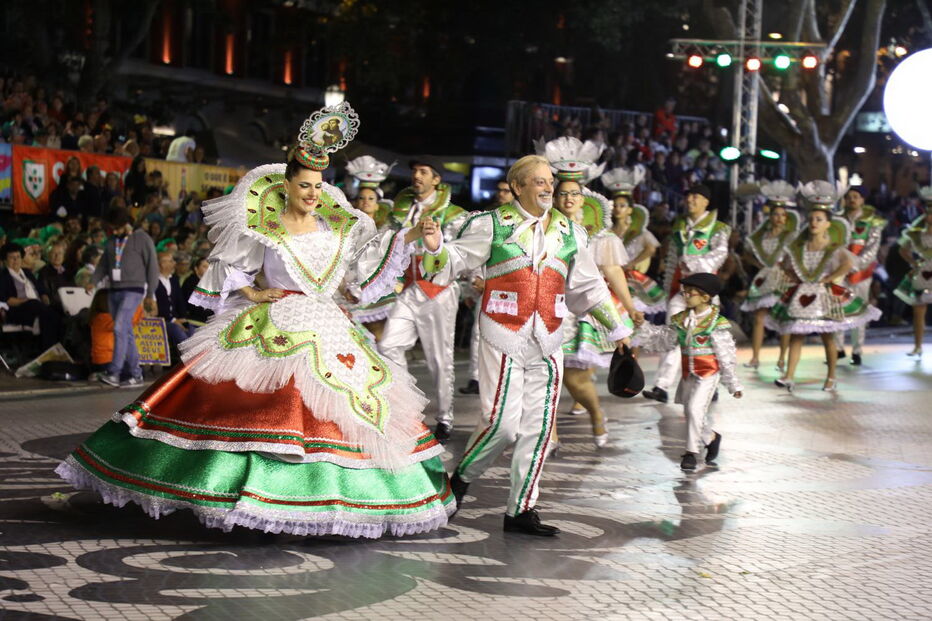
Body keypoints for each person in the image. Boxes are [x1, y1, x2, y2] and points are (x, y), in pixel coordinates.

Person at [56, 103, 454, 538]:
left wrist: (414, 236)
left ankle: (329, 498)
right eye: (304, 185)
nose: (312, 194)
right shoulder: (265, 226)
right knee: (263, 412)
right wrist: (251, 293)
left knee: (355, 410)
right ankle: (251, 495)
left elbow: (361, 274)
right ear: (286, 184)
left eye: (318, 187)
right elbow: (229, 269)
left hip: (329, 325)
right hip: (276, 323)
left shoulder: (335, 226)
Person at [420, 154, 630, 536]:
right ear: (517, 187)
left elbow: (587, 285)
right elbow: (455, 262)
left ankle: (521, 509)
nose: (548, 187)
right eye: (539, 181)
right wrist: (437, 248)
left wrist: (617, 329)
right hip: (503, 332)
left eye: (550, 181)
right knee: (502, 425)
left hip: (549, 337)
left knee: (539, 427)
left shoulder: (570, 232)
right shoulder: (491, 224)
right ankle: (462, 478)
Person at [540, 137, 641, 448]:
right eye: (562, 194)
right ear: (553, 198)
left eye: (575, 194)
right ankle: (551, 433)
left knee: (574, 379)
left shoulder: (599, 235)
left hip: (579, 310)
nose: (569, 199)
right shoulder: (540, 228)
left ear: (584, 198)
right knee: (544, 376)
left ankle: (596, 413)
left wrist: (629, 309)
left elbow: (611, 273)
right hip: (544, 308)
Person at [378, 155, 468, 443]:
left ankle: (445, 419)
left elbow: (463, 254)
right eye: (415, 171)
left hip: (439, 290)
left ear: (436, 180)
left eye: (424, 172)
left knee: (440, 360)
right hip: (410, 289)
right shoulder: (404, 210)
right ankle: (408, 408)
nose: (417, 176)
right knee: (388, 344)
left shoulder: (453, 214)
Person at [767, 181, 882, 392]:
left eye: (819, 220)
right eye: (811, 219)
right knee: (797, 334)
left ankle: (831, 376)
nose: (813, 223)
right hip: (803, 293)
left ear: (828, 223)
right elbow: (786, 265)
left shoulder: (833, 247)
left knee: (827, 335)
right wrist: (794, 277)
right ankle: (789, 375)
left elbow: (848, 263)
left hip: (824, 296)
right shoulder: (800, 247)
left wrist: (830, 279)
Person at [634, 273, 742, 471]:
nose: (685, 294)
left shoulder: (716, 323)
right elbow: (664, 340)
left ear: (705, 297)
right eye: (685, 290)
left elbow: (726, 355)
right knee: (691, 412)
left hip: (708, 375)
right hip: (688, 375)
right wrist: (643, 327)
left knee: (694, 410)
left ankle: (691, 452)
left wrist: (732, 383)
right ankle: (711, 437)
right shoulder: (680, 320)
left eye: (690, 291)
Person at [642, 184, 731, 403]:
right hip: (681, 291)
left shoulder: (718, 228)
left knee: (705, 341)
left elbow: (719, 255)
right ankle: (661, 386)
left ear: (705, 202)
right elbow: (673, 257)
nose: (690, 199)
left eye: (695, 196)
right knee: (672, 335)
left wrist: (692, 263)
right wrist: (668, 286)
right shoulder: (679, 225)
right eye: (688, 195)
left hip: (705, 294)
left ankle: (710, 385)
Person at [90, 206, 159, 388]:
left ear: (126, 224)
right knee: (125, 332)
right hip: (114, 290)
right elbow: (104, 264)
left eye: (117, 227)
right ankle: (136, 375)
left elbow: (152, 265)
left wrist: (150, 293)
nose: (115, 231)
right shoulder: (112, 241)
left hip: (134, 290)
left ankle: (114, 373)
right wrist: (93, 281)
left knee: (119, 327)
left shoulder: (141, 238)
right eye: (112, 228)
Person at [459, 179, 514, 396]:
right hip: (486, 288)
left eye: (506, 191)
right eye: (499, 190)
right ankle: (476, 378)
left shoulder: (521, 222)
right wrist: (475, 280)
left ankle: (504, 380)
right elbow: (476, 254)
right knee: (478, 333)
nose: (502, 194)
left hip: (513, 290)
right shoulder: (486, 219)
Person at [740, 181, 800, 370]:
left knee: (783, 319)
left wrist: (789, 271)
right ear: (770, 216)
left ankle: (782, 359)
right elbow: (746, 252)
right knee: (759, 318)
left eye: (783, 215)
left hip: (783, 278)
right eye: (776, 214)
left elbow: (797, 257)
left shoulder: (791, 236)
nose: (779, 218)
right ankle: (755, 357)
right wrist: (758, 265)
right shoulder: (761, 236)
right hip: (764, 278)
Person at [344, 155, 398, 341]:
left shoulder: (386, 229)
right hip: (350, 286)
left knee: (380, 338)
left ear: (377, 204)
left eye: (370, 198)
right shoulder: (347, 227)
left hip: (376, 286)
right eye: (361, 198)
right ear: (355, 203)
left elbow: (393, 256)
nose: (366, 201)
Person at [833, 187, 886, 365]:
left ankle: (857, 350)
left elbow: (872, 248)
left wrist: (855, 266)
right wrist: (841, 266)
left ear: (863, 200)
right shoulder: (837, 220)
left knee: (859, 310)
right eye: (848, 197)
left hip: (862, 273)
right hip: (840, 271)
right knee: (837, 310)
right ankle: (838, 348)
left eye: (856, 197)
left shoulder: (873, 221)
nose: (852, 200)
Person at [601, 166, 665, 314]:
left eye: (622, 206)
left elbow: (651, 248)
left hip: (630, 276)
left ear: (630, 209)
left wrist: (631, 263)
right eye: (615, 206)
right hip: (609, 277)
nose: (618, 209)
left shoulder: (639, 231)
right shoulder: (607, 230)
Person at [0, 242, 64, 350]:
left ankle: (56, 349)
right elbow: (6, 299)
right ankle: (47, 349)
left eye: (18, 257)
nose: (16, 260)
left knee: (57, 311)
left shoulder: (27, 273)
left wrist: (44, 296)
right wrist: (25, 301)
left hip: (38, 307)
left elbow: (41, 290)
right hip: (18, 309)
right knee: (39, 308)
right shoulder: (3, 276)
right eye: (12, 258)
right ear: (5, 260)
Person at [893, 186, 932, 357]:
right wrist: (913, 262)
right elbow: (903, 249)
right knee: (918, 313)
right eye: (929, 209)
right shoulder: (917, 229)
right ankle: (918, 346)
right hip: (922, 273)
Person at [154, 250, 196, 351]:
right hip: (162, 320)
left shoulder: (174, 280)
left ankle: (194, 360)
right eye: (171, 261)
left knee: (192, 331)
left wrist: (183, 318)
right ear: (162, 264)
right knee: (177, 331)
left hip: (176, 319)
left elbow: (180, 301)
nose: (174, 263)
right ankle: (188, 358)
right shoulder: (154, 281)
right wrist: (173, 320)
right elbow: (158, 305)